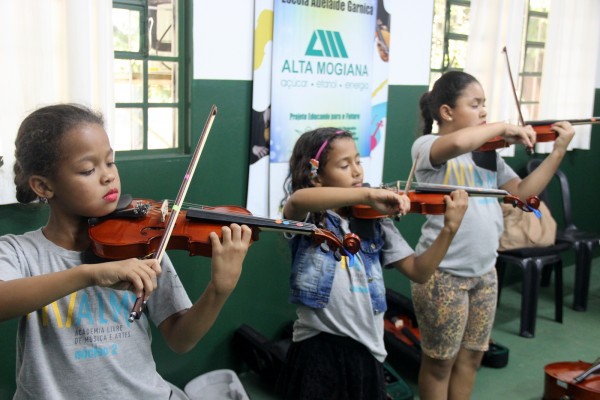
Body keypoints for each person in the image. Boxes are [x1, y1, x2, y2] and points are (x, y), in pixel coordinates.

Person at [0, 104, 253, 400]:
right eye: (88, 169)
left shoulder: (143, 244)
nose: (108, 177)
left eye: (110, 162)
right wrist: (88, 274)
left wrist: (219, 290)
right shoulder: (19, 252)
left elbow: (181, 339)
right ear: (43, 186)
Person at [412, 70, 575, 400]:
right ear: (446, 112)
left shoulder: (488, 155)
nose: (484, 111)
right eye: (476, 104)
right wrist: (502, 126)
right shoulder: (428, 147)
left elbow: (523, 194)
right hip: (443, 276)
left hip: (485, 273)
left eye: (485, 105)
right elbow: (457, 142)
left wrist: (557, 151)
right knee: (439, 363)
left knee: (471, 359)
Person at [276, 127, 469, 400]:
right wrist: (367, 195)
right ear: (316, 176)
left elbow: (419, 271)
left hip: (368, 349)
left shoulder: (375, 220)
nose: (357, 172)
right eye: (345, 165)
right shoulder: (310, 220)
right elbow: (297, 199)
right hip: (317, 347)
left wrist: (449, 228)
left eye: (358, 161)